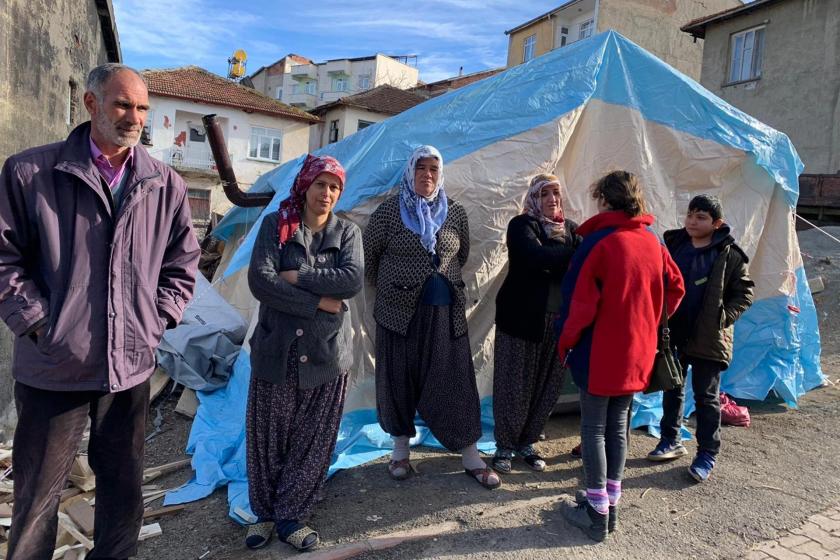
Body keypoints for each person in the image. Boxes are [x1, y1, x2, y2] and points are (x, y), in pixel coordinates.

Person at [0, 63, 199, 559]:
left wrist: (155, 321)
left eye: (142, 108)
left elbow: (183, 262)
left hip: (128, 368)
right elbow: (4, 258)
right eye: (122, 104)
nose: (135, 117)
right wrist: (38, 323)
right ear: (91, 104)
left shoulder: (163, 183)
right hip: (54, 367)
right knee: (37, 501)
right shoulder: (30, 173)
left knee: (122, 497)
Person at [556, 171, 684, 541]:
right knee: (618, 425)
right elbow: (675, 289)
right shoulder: (653, 242)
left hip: (600, 350)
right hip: (639, 350)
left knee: (594, 427)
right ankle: (610, 502)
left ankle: (596, 511)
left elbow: (578, 306)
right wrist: (649, 318)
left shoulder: (597, 244)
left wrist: (565, 342)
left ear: (605, 200)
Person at [363, 145, 500, 490]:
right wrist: (397, 285)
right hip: (398, 315)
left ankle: (470, 455)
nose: (427, 174)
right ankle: (400, 451)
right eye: (421, 168)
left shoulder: (454, 212)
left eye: (433, 169)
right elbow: (368, 257)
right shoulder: (388, 213)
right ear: (410, 172)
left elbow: (462, 253)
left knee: (453, 380)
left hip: (445, 314)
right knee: (399, 379)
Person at [245, 154, 363, 551]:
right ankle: (264, 512)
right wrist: (318, 303)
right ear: (305, 186)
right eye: (320, 185)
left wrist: (298, 277)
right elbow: (260, 282)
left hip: (326, 353)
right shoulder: (275, 227)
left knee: (312, 438)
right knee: (268, 435)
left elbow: (351, 279)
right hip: (277, 349)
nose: (326, 193)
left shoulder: (347, 233)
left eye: (334, 187)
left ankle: (291, 516)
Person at [646, 194, 754, 482]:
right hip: (675, 332)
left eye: (701, 217)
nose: (693, 221)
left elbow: (743, 294)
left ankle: (707, 452)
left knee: (707, 397)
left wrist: (723, 318)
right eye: (691, 215)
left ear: (716, 223)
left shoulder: (729, 255)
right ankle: (670, 439)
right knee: (672, 387)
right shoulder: (674, 245)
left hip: (709, 338)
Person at [492, 174, 580, 473]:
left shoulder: (571, 229)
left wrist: (562, 258)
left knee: (547, 384)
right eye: (545, 194)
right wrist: (571, 256)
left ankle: (527, 442)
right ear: (534, 197)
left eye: (556, 193)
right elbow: (533, 256)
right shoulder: (522, 225)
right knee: (514, 383)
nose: (552, 199)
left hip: (558, 322)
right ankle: (505, 445)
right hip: (520, 318)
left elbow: (576, 261)